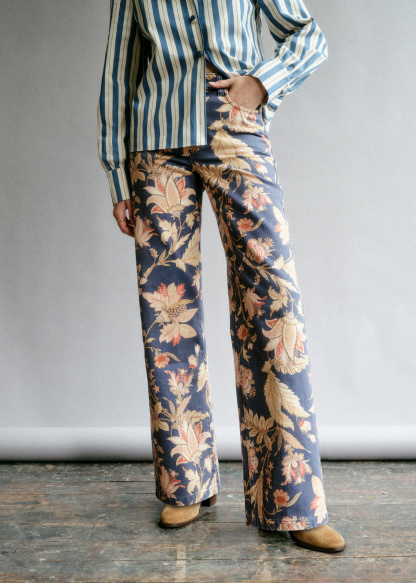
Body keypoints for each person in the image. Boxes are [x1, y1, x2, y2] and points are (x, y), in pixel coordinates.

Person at [97, 0, 346, 553]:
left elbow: (308, 35)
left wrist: (263, 82)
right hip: (155, 146)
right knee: (168, 315)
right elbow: (119, 71)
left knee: (273, 302)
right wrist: (117, 174)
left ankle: (293, 500)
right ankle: (185, 480)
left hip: (236, 132)